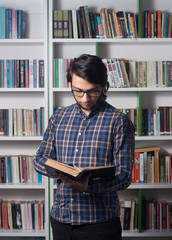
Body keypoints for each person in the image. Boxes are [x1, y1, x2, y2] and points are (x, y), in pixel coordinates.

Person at [33, 54, 135, 240]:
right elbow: (39, 159)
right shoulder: (59, 117)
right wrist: (62, 172)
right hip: (62, 219)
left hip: (101, 222)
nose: (85, 98)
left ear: (103, 86)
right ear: (70, 85)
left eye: (93, 91)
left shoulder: (119, 121)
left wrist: (88, 187)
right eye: (78, 91)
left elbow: (125, 175)